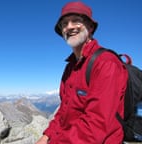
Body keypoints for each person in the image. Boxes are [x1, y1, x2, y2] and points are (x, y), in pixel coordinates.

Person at [36, 1, 128, 144]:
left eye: (76, 21)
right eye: (64, 24)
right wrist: (46, 136)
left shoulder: (106, 63)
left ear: (90, 27)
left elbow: (96, 124)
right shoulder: (70, 67)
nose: (69, 27)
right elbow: (63, 111)